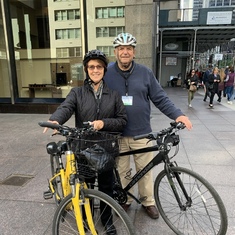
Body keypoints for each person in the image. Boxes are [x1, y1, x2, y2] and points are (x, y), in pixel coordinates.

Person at [104, 32, 192, 220]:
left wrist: (178, 115)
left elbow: (160, 98)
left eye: (128, 49)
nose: (125, 52)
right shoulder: (107, 72)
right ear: (115, 52)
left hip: (141, 132)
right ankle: (126, 199)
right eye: (121, 49)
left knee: (145, 169)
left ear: (134, 52)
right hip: (117, 134)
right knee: (122, 170)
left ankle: (147, 201)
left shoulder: (145, 72)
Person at [43, 49, 127, 235]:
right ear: (86, 70)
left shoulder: (114, 95)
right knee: (85, 187)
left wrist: (103, 123)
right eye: (91, 67)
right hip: (83, 147)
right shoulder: (77, 92)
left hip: (105, 147)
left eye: (98, 67)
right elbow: (66, 107)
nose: (95, 70)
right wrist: (56, 119)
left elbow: (122, 121)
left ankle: (107, 221)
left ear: (104, 70)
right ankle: (84, 219)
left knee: (106, 188)